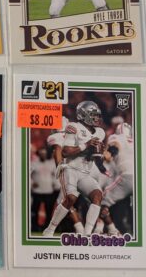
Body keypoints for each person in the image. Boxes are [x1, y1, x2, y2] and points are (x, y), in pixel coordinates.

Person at [42, 101, 106, 237]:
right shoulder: (74, 127)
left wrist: (99, 154)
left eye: (97, 115)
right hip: (70, 169)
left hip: (85, 172)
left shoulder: (100, 132)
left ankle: (87, 234)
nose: (96, 118)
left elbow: (96, 158)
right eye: (93, 115)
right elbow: (65, 152)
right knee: (70, 199)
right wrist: (86, 145)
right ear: (83, 115)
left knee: (97, 195)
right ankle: (50, 229)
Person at [99, 123, 134, 235]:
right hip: (140, 179)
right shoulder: (136, 141)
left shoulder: (116, 137)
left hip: (127, 177)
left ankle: (108, 229)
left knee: (100, 200)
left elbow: (114, 147)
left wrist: (107, 153)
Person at [30, 148, 57, 233]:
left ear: (46, 154)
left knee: (49, 212)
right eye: (41, 153)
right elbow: (26, 174)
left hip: (48, 191)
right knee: (35, 211)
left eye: (44, 153)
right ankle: (34, 227)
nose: (43, 155)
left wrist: (54, 184)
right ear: (39, 154)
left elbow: (55, 175)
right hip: (37, 192)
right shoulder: (33, 164)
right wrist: (31, 183)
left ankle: (47, 228)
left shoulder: (51, 164)